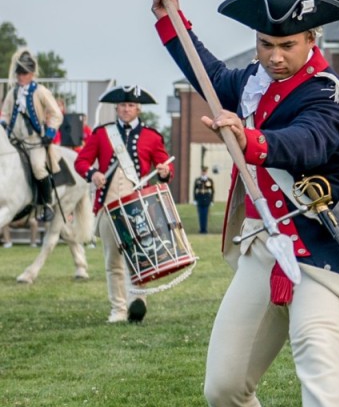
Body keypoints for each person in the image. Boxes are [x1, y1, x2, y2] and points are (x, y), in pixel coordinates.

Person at [154, 0, 339, 407]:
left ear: (312, 41)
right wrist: (172, 21)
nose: (274, 57)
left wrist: (251, 139)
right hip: (263, 249)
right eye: (265, 45)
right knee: (223, 383)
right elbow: (207, 75)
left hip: (322, 255)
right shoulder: (251, 80)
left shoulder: (329, 95)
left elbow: (308, 142)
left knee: (317, 357)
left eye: (287, 45)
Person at [74, 85, 172, 324]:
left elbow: (165, 166)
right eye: (122, 105)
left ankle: (137, 302)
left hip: (138, 206)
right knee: (112, 260)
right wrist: (93, 173)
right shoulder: (101, 134)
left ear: (138, 108)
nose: (126, 109)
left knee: (139, 256)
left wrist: (164, 170)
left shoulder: (152, 136)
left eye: (131, 105)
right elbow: (82, 161)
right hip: (108, 206)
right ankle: (118, 308)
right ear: (116, 108)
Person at [1, 49, 63, 222]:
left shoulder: (41, 91)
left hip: (35, 141)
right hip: (14, 141)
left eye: (24, 73)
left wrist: (50, 133)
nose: (21, 76)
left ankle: (47, 203)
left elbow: (56, 113)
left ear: (32, 74)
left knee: (38, 166)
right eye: (19, 73)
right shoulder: (12, 93)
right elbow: (5, 113)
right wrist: (3, 124)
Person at [193, 166, 215, 234]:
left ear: (206, 172)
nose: (203, 172)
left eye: (205, 171)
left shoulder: (209, 180)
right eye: (203, 171)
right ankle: (201, 229)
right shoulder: (197, 180)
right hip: (200, 199)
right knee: (200, 215)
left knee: (205, 214)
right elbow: (194, 190)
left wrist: (211, 200)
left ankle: (205, 229)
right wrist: (195, 199)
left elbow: (213, 191)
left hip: (206, 199)